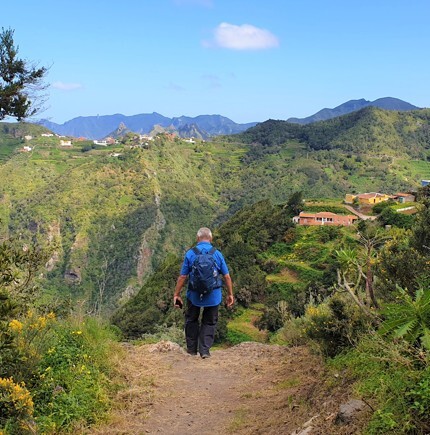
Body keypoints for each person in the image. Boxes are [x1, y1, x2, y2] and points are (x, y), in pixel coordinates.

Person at [173, 227, 234, 358]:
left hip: (194, 295)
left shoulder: (190, 253)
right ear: (211, 239)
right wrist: (230, 294)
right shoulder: (217, 254)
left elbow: (182, 277)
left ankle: (191, 350)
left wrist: (176, 294)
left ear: (197, 238)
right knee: (210, 321)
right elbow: (227, 276)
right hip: (213, 295)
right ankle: (205, 351)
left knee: (191, 320)